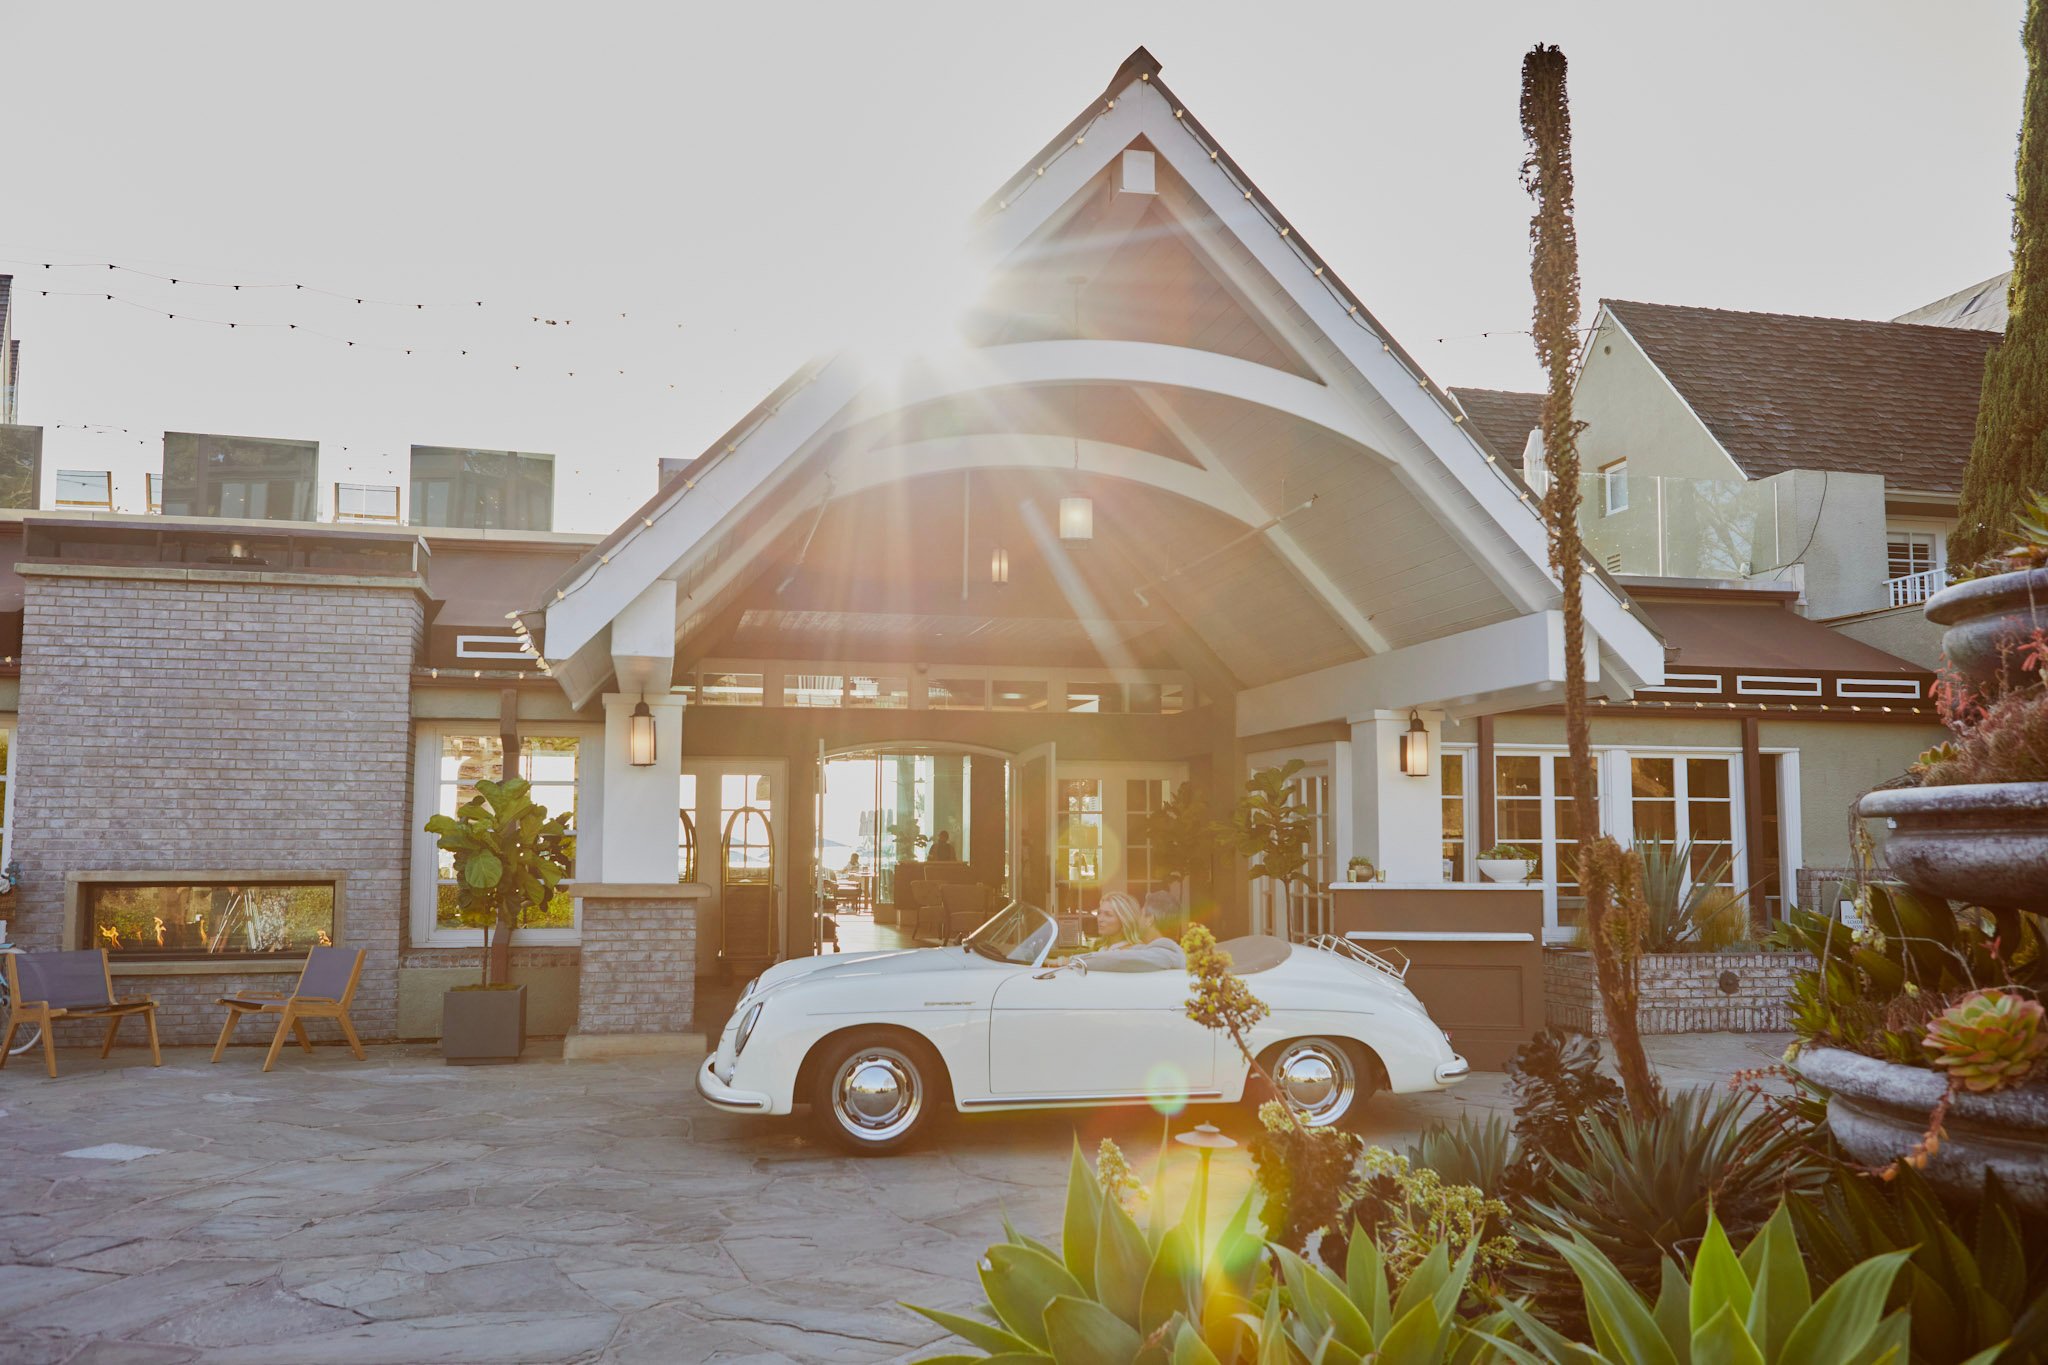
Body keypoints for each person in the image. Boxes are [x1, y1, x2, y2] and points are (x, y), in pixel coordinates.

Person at [1068, 891, 1185, 972]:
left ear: (1149, 920)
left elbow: (1118, 960)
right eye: (1099, 913)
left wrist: (1070, 961)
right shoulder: (1152, 951)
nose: (1136, 918)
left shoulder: (1165, 953)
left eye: (1142, 913)